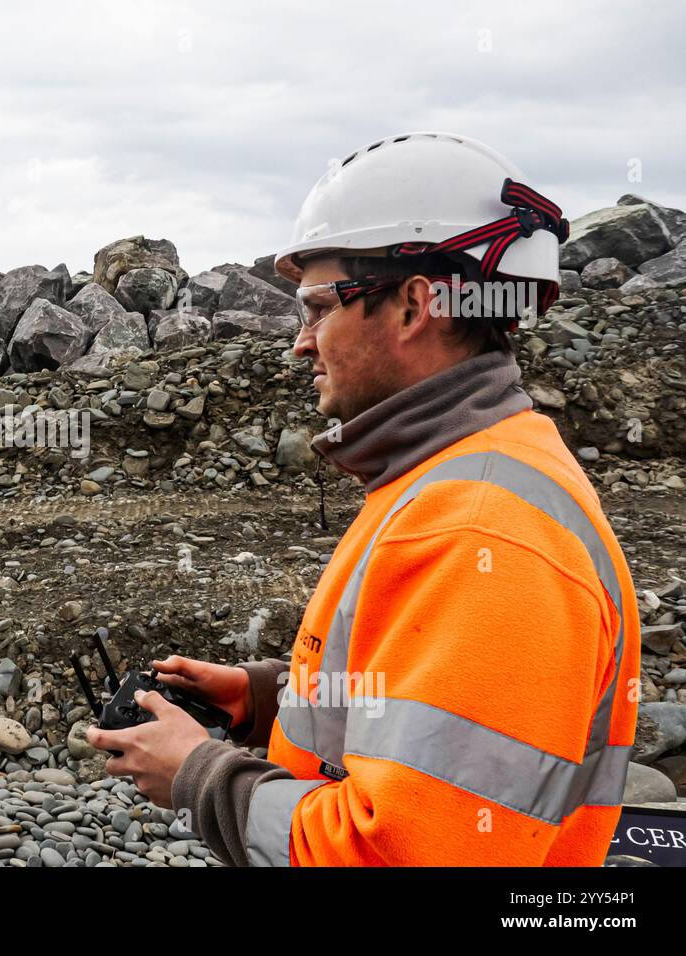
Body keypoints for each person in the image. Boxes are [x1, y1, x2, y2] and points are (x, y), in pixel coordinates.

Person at [85, 132, 641, 866]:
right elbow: (428, 718)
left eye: (318, 309)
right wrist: (266, 700)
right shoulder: (447, 473)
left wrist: (201, 775)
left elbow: (404, 852)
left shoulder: (484, 531)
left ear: (415, 306)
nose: (299, 343)